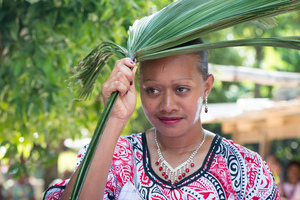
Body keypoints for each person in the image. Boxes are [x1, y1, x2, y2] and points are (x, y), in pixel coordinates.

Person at [43, 38, 279, 199]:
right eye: (153, 90)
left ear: (206, 87)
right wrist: (112, 121)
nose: (167, 105)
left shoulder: (246, 169)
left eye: (181, 89)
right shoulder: (115, 158)